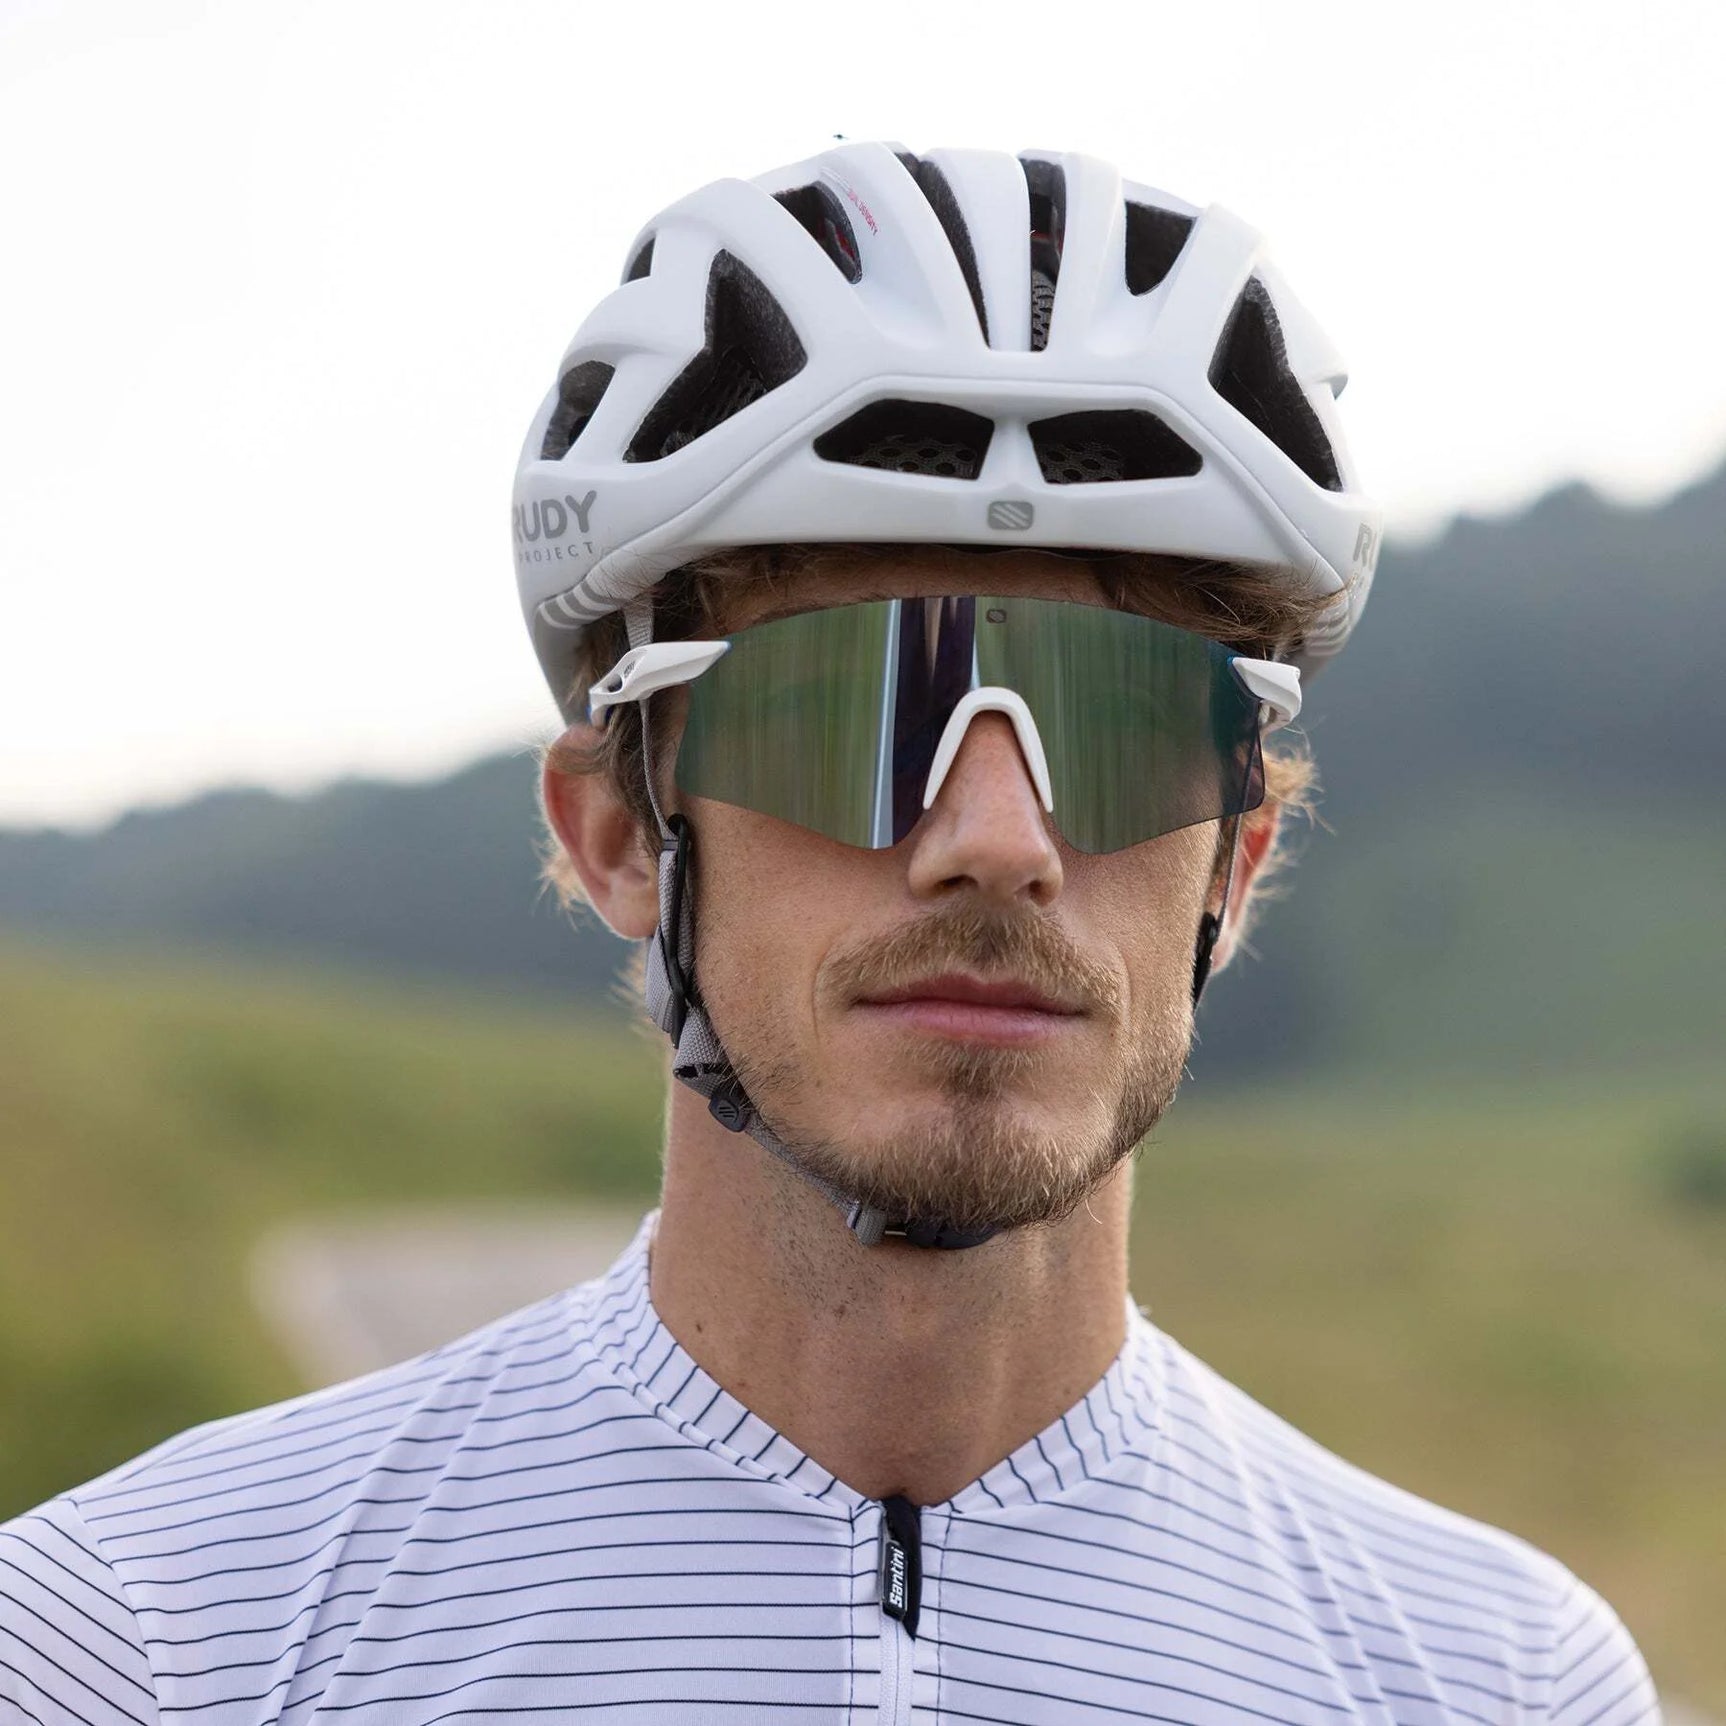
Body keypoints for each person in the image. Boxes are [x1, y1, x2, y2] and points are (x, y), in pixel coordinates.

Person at [0, 143, 1660, 1725]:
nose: (997, 842)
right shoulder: (143, 1641)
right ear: (620, 835)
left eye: (1125, 718)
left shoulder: (1491, 1677)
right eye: (849, 707)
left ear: (1232, 854)